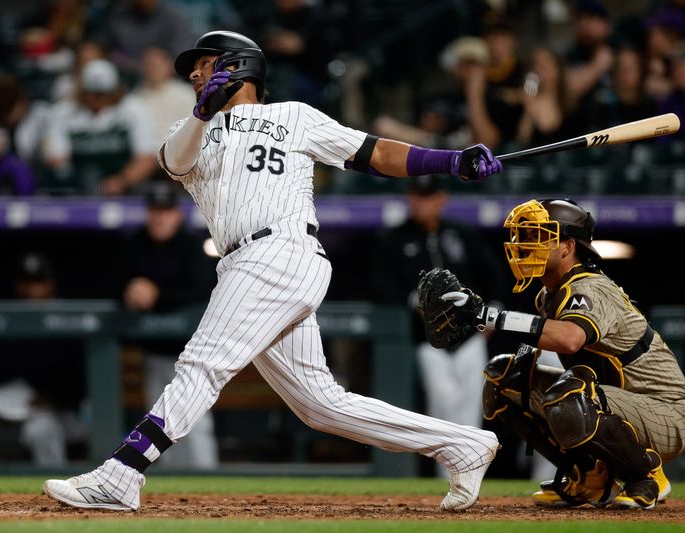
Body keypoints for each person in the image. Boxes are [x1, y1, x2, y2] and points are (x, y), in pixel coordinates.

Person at [43, 30, 503, 513]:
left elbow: (375, 153)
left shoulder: (295, 115)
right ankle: (462, 445)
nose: (195, 74)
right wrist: (202, 112)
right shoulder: (189, 129)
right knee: (321, 404)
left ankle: (121, 474)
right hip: (247, 261)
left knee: (201, 365)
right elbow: (174, 161)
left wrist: (450, 160)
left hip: (279, 252)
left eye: (205, 64)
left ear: (239, 66)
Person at [435, 198, 685, 510]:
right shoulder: (548, 294)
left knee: (569, 395)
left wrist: (490, 315)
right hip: (618, 398)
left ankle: (646, 474)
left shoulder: (589, 287)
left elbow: (570, 339)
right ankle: (589, 478)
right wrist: (521, 376)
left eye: (535, 236)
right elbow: (535, 350)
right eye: (522, 236)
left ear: (567, 246)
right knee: (504, 380)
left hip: (667, 410)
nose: (523, 245)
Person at [371, 174, 506, 478]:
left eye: (429, 196)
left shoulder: (462, 234)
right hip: (427, 339)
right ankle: (445, 476)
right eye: (418, 196)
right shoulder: (395, 237)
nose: (423, 203)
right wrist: (413, 301)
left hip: (470, 336)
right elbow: (379, 285)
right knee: (442, 399)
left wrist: (493, 310)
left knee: (471, 406)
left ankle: (471, 473)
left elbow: (493, 274)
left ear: (441, 198)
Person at [0, 252, 86, 466]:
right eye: (27, 283)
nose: (33, 291)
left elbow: (78, 385)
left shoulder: (66, 324)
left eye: (39, 283)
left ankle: (53, 492)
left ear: (51, 285)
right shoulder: (2, 320)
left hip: (42, 417)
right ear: (17, 286)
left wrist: (53, 399)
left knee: (45, 428)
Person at [114, 181, 218, 470]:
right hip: (153, 351)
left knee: (196, 422)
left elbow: (201, 289)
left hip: (192, 352)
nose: (160, 217)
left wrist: (157, 294)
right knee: (160, 422)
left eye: (166, 211)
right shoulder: (134, 242)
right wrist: (130, 291)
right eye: (155, 210)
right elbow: (115, 285)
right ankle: (174, 491)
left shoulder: (192, 243)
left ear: (177, 214)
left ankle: (208, 483)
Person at [42, 58, 157, 195]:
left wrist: (121, 181)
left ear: (114, 90)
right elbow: (56, 158)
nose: (93, 98)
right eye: (89, 92)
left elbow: (147, 157)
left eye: (101, 94)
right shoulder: (63, 112)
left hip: (123, 181)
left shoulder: (133, 109)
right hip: (78, 182)